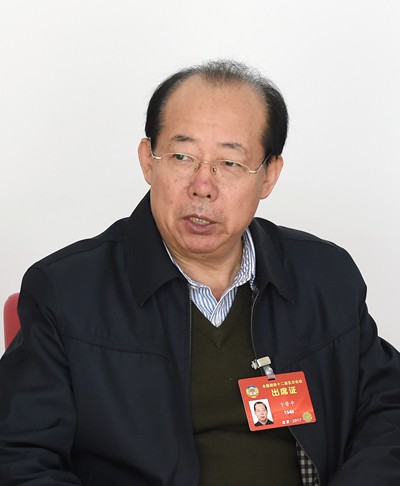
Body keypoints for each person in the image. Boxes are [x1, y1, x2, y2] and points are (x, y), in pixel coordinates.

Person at [0, 60, 399, 485]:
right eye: (182, 156)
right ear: (148, 161)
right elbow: (20, 456)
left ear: (268, 176)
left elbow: (388, 411)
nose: (202, 186)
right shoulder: (67, 292)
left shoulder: (326, 276)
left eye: (230, 163)